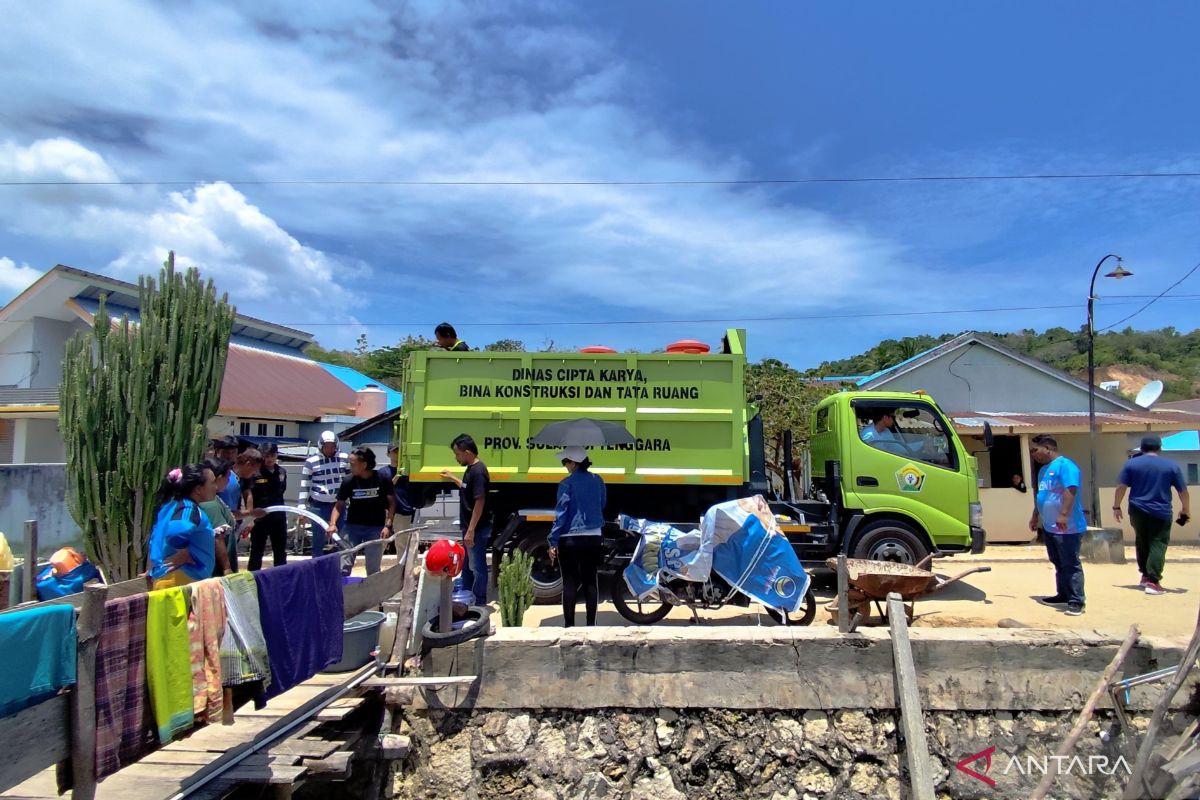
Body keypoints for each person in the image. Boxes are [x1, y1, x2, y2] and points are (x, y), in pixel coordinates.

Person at [1113, 435, 1190, 595]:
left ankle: (1145, 575)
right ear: (1160, 448)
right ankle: (1153, 582)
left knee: (1142, 540)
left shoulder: (1131, 464)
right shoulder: (1171, 466)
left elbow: (1121, 486)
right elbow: (1183, 491)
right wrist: (1185, 509)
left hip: (1136, 509)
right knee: (1158, 543)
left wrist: (1116, 506)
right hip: (1160, 510)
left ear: (1141, 448)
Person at [547, 446, 607, 627]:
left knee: (570, 582)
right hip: (593, 536)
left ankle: (569, 626)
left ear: (573, 463)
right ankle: (591, 625)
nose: (564, 465)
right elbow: (602, 503)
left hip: (570, 538)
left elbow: (561, 513)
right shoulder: (598, 480)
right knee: (590, 580)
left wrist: (552, 540)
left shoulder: (566, 483)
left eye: (565, 462)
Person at [1028, 434, 1087, 616]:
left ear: (1047, 448)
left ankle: (1077, 600)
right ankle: (1063, 594)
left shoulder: (1066, 466)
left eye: (1035, 450)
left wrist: (1063, 515)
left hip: (1066, 526)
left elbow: (1071, 489)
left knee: (1070, 563)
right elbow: (1042, 495)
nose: (1033, 455)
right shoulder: (1043, 470)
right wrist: (1035, 516)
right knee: (1058, 562)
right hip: (1049, 526)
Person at [147, 463, 219, 589]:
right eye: (212, 483)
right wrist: (184, 552)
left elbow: (156, 539)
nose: (216, 487)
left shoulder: (171, 506)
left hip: (170, 578)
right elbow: (176, 532)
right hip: (181, 579)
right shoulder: (188, 508)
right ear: (198, 489)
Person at [329, 448, 396, 576]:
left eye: (353, 464)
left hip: (375, 527)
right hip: (352, 526)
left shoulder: (382, 478)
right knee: (344, 563)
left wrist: (388, 525)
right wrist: (332, 523)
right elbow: (339, 505)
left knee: (373, 568)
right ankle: (343, 591)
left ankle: (372, 593)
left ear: (364, 464)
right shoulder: (349, 480)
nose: (350, 467)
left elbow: (392, 502)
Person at [441, 434, 490, 603]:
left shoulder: (478, 472)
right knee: (468, 565)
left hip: (475, 528)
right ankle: (467, 597)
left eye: (458, 454)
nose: (457, 458)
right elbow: (466, 488)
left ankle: (480, 601)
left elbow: (479, 501)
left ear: (467, 452)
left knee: (477, 567)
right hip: (470, 528)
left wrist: (471, 531)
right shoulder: (471, 470)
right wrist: (452, 477)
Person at [299, 431, 350, 557]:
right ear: (321, 445)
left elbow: (351, 480)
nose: (329, 449)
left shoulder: (344, 458)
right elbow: (305, 484)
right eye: (326, 446)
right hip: (318, 503)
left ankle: (341, 565)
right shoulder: (311, 461)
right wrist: (301, 507)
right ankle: (317, 564)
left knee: (342, 536)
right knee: (317, 537)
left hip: (339, 504)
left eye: (332, 446)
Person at [247, 443, 288, 571]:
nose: (270, 459)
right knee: (257, 551)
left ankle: (281, 578)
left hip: (278, 518)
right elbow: (250, 495)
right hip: (260, 518)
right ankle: (253, 578)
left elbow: (281, 491)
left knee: (280, 551)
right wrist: (250, 518)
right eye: (267, 456)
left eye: (273, 455)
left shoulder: (281, 472)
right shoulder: (255, 473)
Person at [200, 458, 237, 575]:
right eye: (228, 477)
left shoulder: (213, 498)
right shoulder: (211, 504)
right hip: (216, 570)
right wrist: (226, 568)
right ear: (219, 478)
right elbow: (217, 538)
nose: (228, 481)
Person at [378, 444, 416, 530]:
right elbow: (382, 490)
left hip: (403, 510)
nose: (398, 454)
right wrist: (398, 475)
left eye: (400, 451)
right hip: (386, 511)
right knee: (383, 541)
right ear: (388, 454)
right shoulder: (382, 472)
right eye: (395, 451)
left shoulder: (409, 471)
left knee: (402, 542)